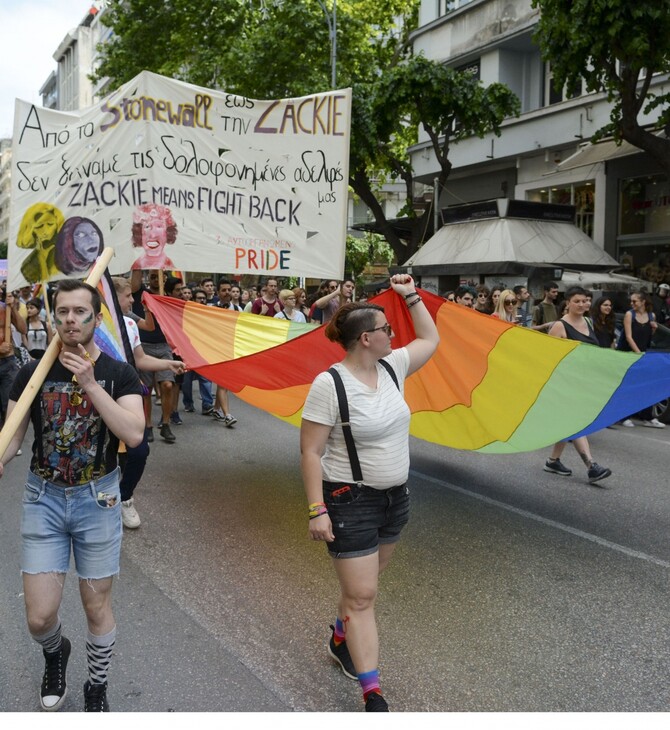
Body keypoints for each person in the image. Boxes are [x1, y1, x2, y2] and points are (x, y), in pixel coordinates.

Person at [0, 279, 144, 712]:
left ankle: (96, 686)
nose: (70, 319)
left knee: (95, 604)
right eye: (62, 311)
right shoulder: (32, 374)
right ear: (53, 317)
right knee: (39, 616)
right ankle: (54, 653)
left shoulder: (119, 373)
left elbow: (134, 434)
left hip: (96, 501)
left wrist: (91, 383)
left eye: (80, 312)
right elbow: (11, 439)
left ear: (95, 319)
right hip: (42, 497)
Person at [301, 274, 439, 712]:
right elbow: (310, 450)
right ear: (366, 338)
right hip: (349, 500)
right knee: (362, 597)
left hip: (395, 499)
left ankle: (340, 635)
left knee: (364, 586)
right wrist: (316, 509)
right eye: (386, 329)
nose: (393, 334)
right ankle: (373, 694)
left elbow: (431, 337)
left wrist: (410, 294)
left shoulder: (392, 366)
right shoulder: (330, 384)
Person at [111, 276, 185, 528]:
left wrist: (168, 363)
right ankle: (101, 503)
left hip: (125, 394)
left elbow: (140, 359)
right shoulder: (97, 324)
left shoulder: (131, 324)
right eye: (127, 296)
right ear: (112, 297)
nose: (132, 300)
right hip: (99, 396)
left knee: (139, 451)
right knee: (107, 452)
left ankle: (125, 498)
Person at [543, 286, 612, 484]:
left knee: (568, 423)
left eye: (585, 301)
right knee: (575, 422)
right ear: (568, 303)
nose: (582, 304)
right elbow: (549, 358)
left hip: (584, 382)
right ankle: (592, 466)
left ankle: (553, 460)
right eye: (577, 301)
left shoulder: (588, 321)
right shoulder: (559, 327)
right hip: (565, 383)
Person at [618, 291, 665, 429]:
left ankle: (647, 416)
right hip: (629, 354)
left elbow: (647, 336)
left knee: (646, 385)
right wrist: (638, 353)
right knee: (628, 385)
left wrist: (654, 329)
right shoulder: (629, 315)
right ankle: (624, 416)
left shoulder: (651, 316)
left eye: (635, 301)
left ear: (643, 302)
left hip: (643, 354)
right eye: (631, 301)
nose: (632, 304)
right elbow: (628, 337)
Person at [1, 290, 28, 426]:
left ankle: (8, 442)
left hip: (8, 362)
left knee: (9, 404)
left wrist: (12, 309)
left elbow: (23, 330)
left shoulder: (4, 309)